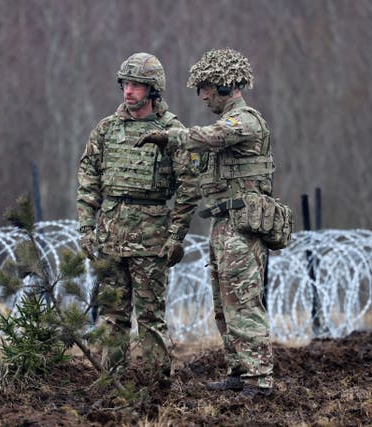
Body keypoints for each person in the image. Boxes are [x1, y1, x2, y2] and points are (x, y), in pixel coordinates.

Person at [136, 48, 292, 397]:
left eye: (206, 88)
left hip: (243, 226)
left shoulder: (244, 121)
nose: (203, 96)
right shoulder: (227, 127)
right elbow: (202, 162)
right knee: (224, 306)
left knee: (244, 302)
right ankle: (238, 370)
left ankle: (259, 377)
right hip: (224, 224)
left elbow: (212, 136)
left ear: (224, 86)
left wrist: (171, 137)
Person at [76, 52, 200, 381]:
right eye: (125, 84)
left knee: (150, 317)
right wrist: (87, 228)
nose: (128, 91)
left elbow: (190, 186)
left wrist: (176, 236)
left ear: (153, 90)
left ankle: (153, 384)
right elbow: (88, 179)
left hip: (151, 239)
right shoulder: (106, 130)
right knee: (112, 315)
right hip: (111, 236)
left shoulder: (172, 132)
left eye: (136, 85)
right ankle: (112, 382)